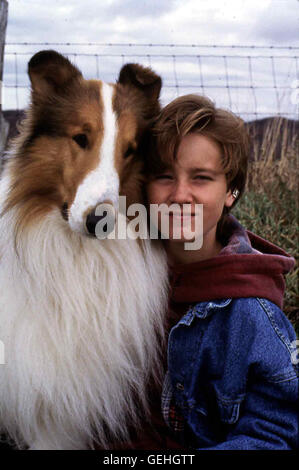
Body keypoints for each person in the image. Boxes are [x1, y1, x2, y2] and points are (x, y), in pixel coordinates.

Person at [142, 94, 298, 450]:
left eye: (201, 178)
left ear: (231, 191)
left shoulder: (250, 314)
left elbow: (273, 434)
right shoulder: (110, 283)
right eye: (164, 176)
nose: (180, 195)